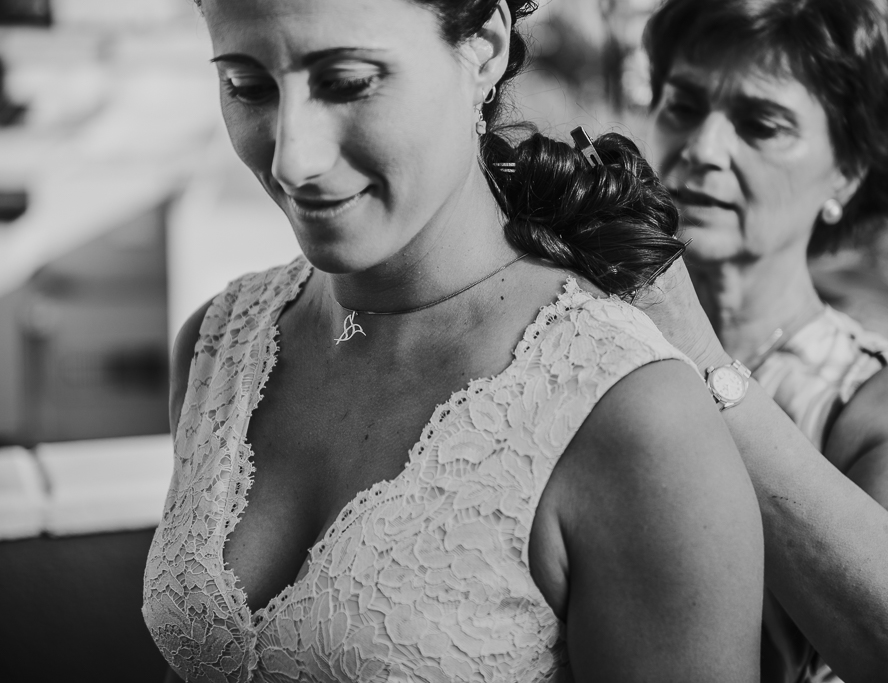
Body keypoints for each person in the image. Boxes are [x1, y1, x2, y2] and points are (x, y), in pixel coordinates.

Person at [141, 0, 765, 681]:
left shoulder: (633, 416)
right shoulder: (217, 345)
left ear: (485, 49)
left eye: (348, 82)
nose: (294, 160)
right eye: (248, 87)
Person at [638, 1, 888, 682]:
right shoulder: (576, 323)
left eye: (761, 124)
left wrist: (697, 353)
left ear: (847, 174)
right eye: (682, 105)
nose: (702, 149)